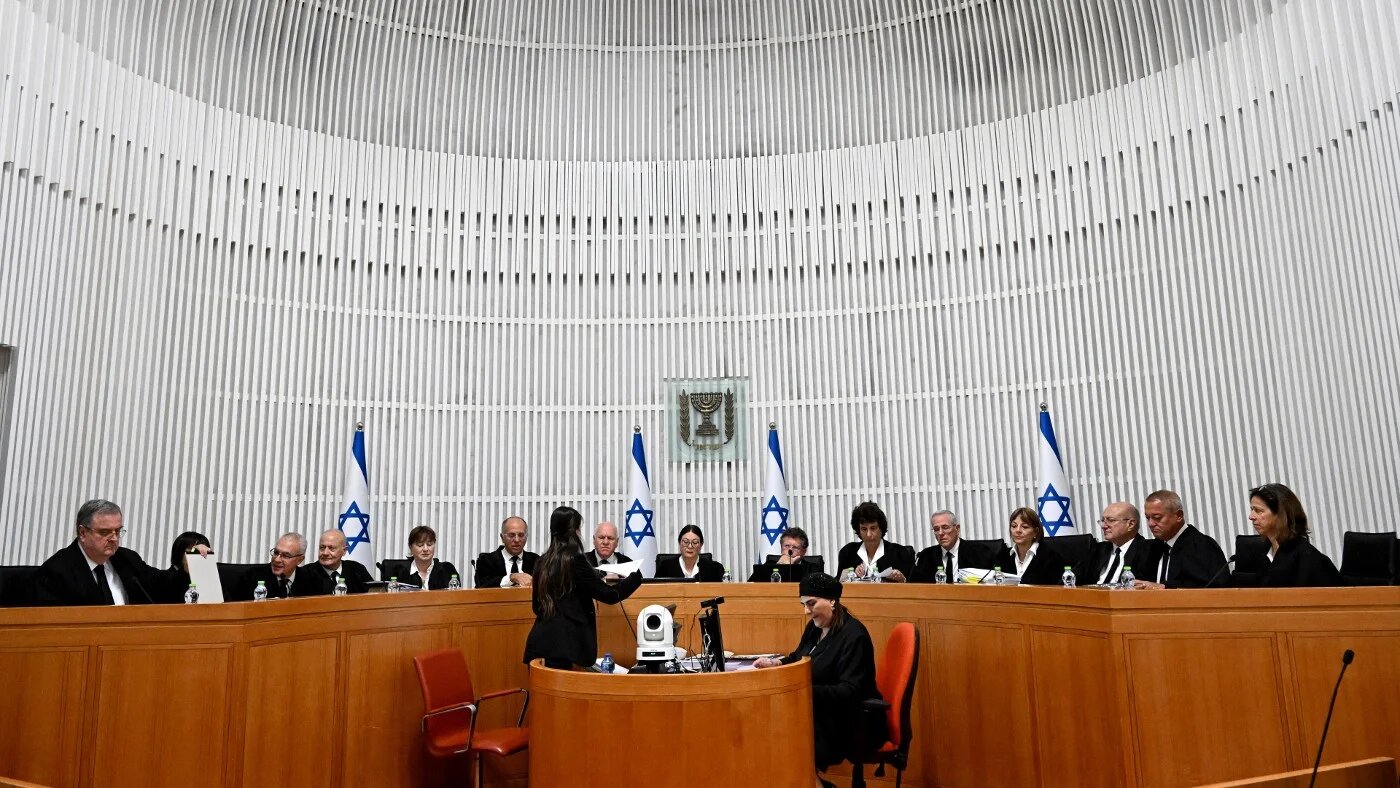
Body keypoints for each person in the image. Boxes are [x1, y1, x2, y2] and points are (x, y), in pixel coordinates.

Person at [754, 573, 885, 787]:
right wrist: (776, 663)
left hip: (850, 720)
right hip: (819, 712)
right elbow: (798, 658)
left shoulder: (854, 636)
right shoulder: (815, 628)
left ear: (832, 601)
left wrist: (804, 691)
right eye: (803, 605)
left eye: (811, 603)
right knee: (771, 724)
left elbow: (850, 691)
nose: (806, 611)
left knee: (783, 732)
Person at [523, 506, 642, 669]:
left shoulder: (541, 562)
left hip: (539, 644)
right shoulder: (575, 561)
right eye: (579, 528)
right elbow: (610, 595)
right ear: (574, 532)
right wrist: (635, 577)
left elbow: (537, 607)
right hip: (566, 647)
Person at [34, 499, 208, 606]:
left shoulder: (126, 559)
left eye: (117, 531)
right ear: (82, 533)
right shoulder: (56, 571)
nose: (114, 538)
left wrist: (188, 566)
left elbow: (161, 585)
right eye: (105, 532)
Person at [1231, 483, 1342, 587]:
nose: (1251, 516)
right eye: (1252, 509)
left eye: (1258, 511)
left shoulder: (1306, 557)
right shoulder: (1263, 553)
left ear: (1281, 514)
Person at [1132, 490, 1228, 589]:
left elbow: (1214, 587)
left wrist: (1164, 588)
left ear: (1179, 515)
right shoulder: (1152, 548)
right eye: (1148, 518)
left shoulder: (1202, 546)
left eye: (1157, 517)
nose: (1151, 524)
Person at [1073, 502, 1157, 586]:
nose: (1104, 526)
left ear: (1131, 524)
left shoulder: (1149, 551)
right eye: (1103, 521)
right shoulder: (1097, 549)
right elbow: (1073, 577)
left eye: (1110, 520)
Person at [837, 502, 914, 582]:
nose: (869, 534)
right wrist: (851, 576)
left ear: (881, 528)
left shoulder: (900, 553)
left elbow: (914, 584)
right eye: (864, 529)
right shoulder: (848, 553)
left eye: (873, 528)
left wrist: (902, 580)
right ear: (858, 531)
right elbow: (838, 584)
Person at [911, 510, 996, 583]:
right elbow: (914, 586)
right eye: (936, 529)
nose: (940, 533)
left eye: (945, 527)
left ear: (957, 529)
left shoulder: (979, 552)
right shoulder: (925, 556)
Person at [235, 533, 318, 600]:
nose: (277, 560)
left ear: (300, 560)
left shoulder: (311, 581)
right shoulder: (251, 578)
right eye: (276, 553)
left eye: (286, 556)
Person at [994, 508, 1064, 585]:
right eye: (1014, 526)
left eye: (1025, 527)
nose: (1018, 530)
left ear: (1036, 531)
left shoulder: (1050, 556)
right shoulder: (1004, 556)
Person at [475, 516, 539, 588]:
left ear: (526, 537)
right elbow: (482, 584)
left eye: (521, 535)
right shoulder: (486, 560)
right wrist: (511, 578)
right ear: (502, 537)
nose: (517, 540)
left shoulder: (536, 561)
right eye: (511, 535)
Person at [305, 529, 374, 595]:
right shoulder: (305, 573)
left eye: (331, 548)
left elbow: (374, 594)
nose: (325, 553)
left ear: (344, 551)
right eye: (322, 547)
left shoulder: (357, 570)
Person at [398, 525, 461, 590]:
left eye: (429, 544)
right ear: (410, 547)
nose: (425, 549)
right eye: (420, 545)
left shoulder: (447, 570)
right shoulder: (400, 572)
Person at [654, 525, 725, 581]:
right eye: (686, 542)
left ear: (701, 545)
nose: (690, 546)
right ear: (679, 543)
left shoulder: (714, 569)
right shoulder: (666, 567)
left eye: (695, 542)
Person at [748, 527, 818, 582]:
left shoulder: (813, 569)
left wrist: (790, 567)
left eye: (795, 547)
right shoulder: (769, 565)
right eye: (786, 546)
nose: (790, 550)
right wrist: (780, 566)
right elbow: (750, 586)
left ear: (804, 551)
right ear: (781, 547)